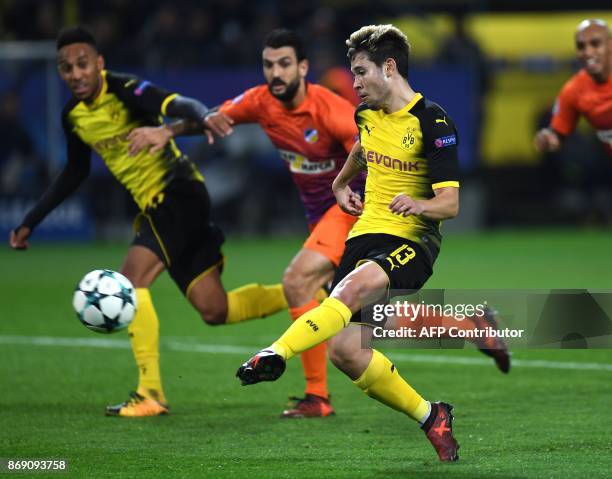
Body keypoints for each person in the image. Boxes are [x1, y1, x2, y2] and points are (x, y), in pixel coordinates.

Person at [8, 26, 288, 418]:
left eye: (82, 64)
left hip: (176, 193)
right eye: (66, 68)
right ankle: (304, 292)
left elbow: (178, 103)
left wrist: (204, 115)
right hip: (169, 205)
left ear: (99, 64)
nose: (75, 74)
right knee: (215, 309)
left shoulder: (124, 89)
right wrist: (30, 221)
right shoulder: (73, 116)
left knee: (131, 281)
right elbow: (74, 171)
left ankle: (150, 393)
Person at [235, 24, 461, 461]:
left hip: (412, 242)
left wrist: (418, 204)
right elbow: (361, 149)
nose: (353, 83)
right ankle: (432, 416)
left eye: (360, 72)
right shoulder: (366, 116)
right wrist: (341, 184)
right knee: (346, 353)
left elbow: (450, 203)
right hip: (363, 237)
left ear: (389, 68)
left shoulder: (432, 121)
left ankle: (275, 351)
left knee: (349, 289)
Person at [128, 28, 366, 419]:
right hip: (320, 221)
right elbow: (214, 119)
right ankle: (469, 324)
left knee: (297, 282)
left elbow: (369, 152)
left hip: (352, 211)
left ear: (303, 67)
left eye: (285, 64)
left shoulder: (332, 111)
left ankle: (318, 397)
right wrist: (166, 130)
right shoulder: (260, 101)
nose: (276, 73)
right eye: (269, 65)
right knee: (362, 311)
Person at [534, 19, 612, 155]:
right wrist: (547, 139)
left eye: (595, 44)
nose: (588, 52)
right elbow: (557, 133)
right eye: (581, 46)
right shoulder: (574, 90)